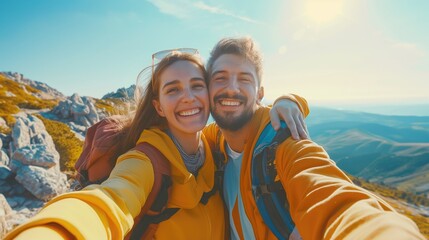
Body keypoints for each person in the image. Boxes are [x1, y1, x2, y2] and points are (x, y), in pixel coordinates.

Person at [4, 49, 308, 239]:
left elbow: (252, 122)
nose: (188, 97)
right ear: (159, 106)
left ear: (208, 96)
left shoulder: (214, 143)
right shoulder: (145, 161)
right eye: (173, 90)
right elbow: (109, 200)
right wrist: (53, 232)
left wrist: (290, 101)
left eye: (196, 86)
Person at [202, 37, 425, 240]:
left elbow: (333, 199)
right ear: (208, 89)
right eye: (220, 78)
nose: (231, 88)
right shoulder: (213, 140)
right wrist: (291, 99)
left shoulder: (282, 144)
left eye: (244, 79)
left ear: (260, 94)